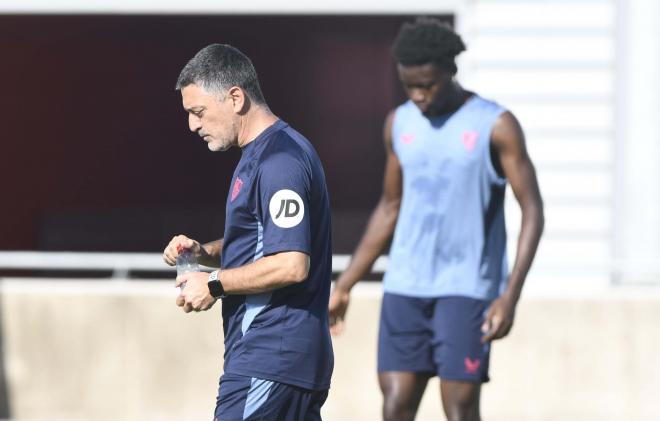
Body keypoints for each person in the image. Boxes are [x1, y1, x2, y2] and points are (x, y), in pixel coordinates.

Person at [328, 18, 544, 421]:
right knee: (395, 405)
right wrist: (346, 283)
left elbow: (532, 208)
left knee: (459, 408)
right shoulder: (399, 122)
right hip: (405, 284)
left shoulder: (495, 126)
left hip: (466, 288)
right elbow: (389, 208)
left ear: (451, 71)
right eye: (409, 86)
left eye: (427, 85)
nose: (419, 95)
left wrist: (509, 295)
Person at [162, 44, 333, 421]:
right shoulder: (260, 156)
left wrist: (213, 284)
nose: (193, 125)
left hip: (271, 355)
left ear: (235, 97)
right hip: (281, 361)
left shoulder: (279, 162)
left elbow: (291, 264)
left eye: (199, 112)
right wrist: (203, 252)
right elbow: (264, 241)